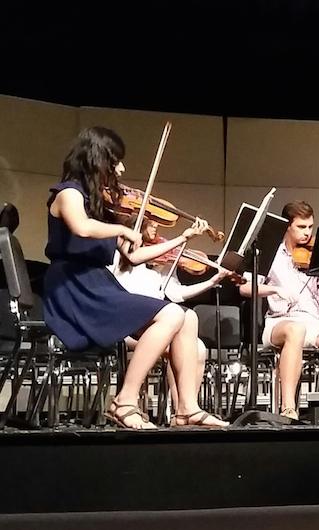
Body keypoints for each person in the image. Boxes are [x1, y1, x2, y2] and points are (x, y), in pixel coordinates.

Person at [43, 126, 227, 429]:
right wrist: (123, 229)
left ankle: (187, 408)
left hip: (98, 284)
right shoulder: (68, 194)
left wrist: (182, 238)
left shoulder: (100, 207)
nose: (121, 168)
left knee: (187, 318)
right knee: (169, 315)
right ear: (97, 159)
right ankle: (124, 401)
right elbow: (82, 228)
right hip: (73, 288)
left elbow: (135, 257)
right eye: (116, 161)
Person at [239, 201, 319, 420]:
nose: (307, 233)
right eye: (301, 227)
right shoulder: (270, 252)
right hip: (279, 323)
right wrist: (275, 288)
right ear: (287, 226)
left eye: (310, 227)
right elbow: (245, 287)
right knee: (296, 330)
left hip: (313, 324)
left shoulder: (318, 255)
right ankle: (288, 408)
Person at [113, 219, 233, 419]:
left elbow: (177, 294)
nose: (156, 228)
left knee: (198, 347)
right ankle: (182, 411)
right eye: (150, 224)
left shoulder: (161, 263)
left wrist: (212, 281)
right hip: (129, 326)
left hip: (160, 325)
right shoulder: (121, 256)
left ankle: (184, 409)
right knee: (177, 342)